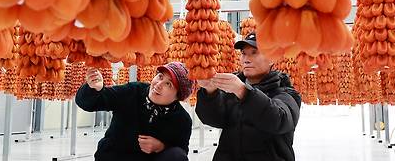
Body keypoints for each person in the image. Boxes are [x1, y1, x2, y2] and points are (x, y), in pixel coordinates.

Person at [196, 32, 302, 161]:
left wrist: (244, 92)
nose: (246, 59)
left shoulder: (285, 92)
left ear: (271, 59)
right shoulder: (232, 90)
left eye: (254, 52)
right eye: (243, 53)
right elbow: (213, 120)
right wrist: (210, 92)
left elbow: (278, 120)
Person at [75, 62, 194, 161]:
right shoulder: (133, 91)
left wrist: (161, 147)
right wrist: (94, 88)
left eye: (168, 84)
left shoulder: (182, 120)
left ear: (178, 96)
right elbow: (90, 102)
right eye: (160, 77)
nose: (158, 85)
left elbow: (181, 153)